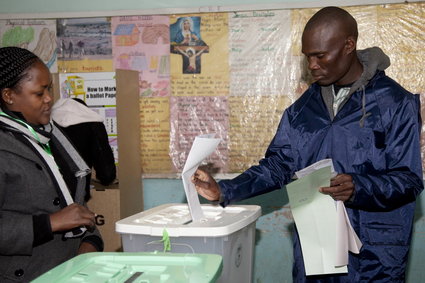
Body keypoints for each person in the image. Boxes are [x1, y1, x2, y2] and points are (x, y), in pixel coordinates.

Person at [192, 6, 423, 282]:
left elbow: (408, 180)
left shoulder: (395, 103)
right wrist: (224, 189)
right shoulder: (302, 110)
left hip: (374, 257)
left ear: (349, 45)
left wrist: (359, 187)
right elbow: (277, 166)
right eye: (308, 57)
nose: (312, 65)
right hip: (318, 252)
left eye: (320, 56)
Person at [0, 47, 103, 282]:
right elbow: (59, 217)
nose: (49, 98)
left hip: (69, 270)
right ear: (9, 96)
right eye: (39, 92)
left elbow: (73, 206)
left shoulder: (53, 136)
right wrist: (50, 223)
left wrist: (90, 242)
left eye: (50, 89)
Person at [51, 98, 116, 202]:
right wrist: (106, 180)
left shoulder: (47, 123)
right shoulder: (93, 124)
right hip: (78, 191)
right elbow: (105, 168)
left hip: (50, 194)